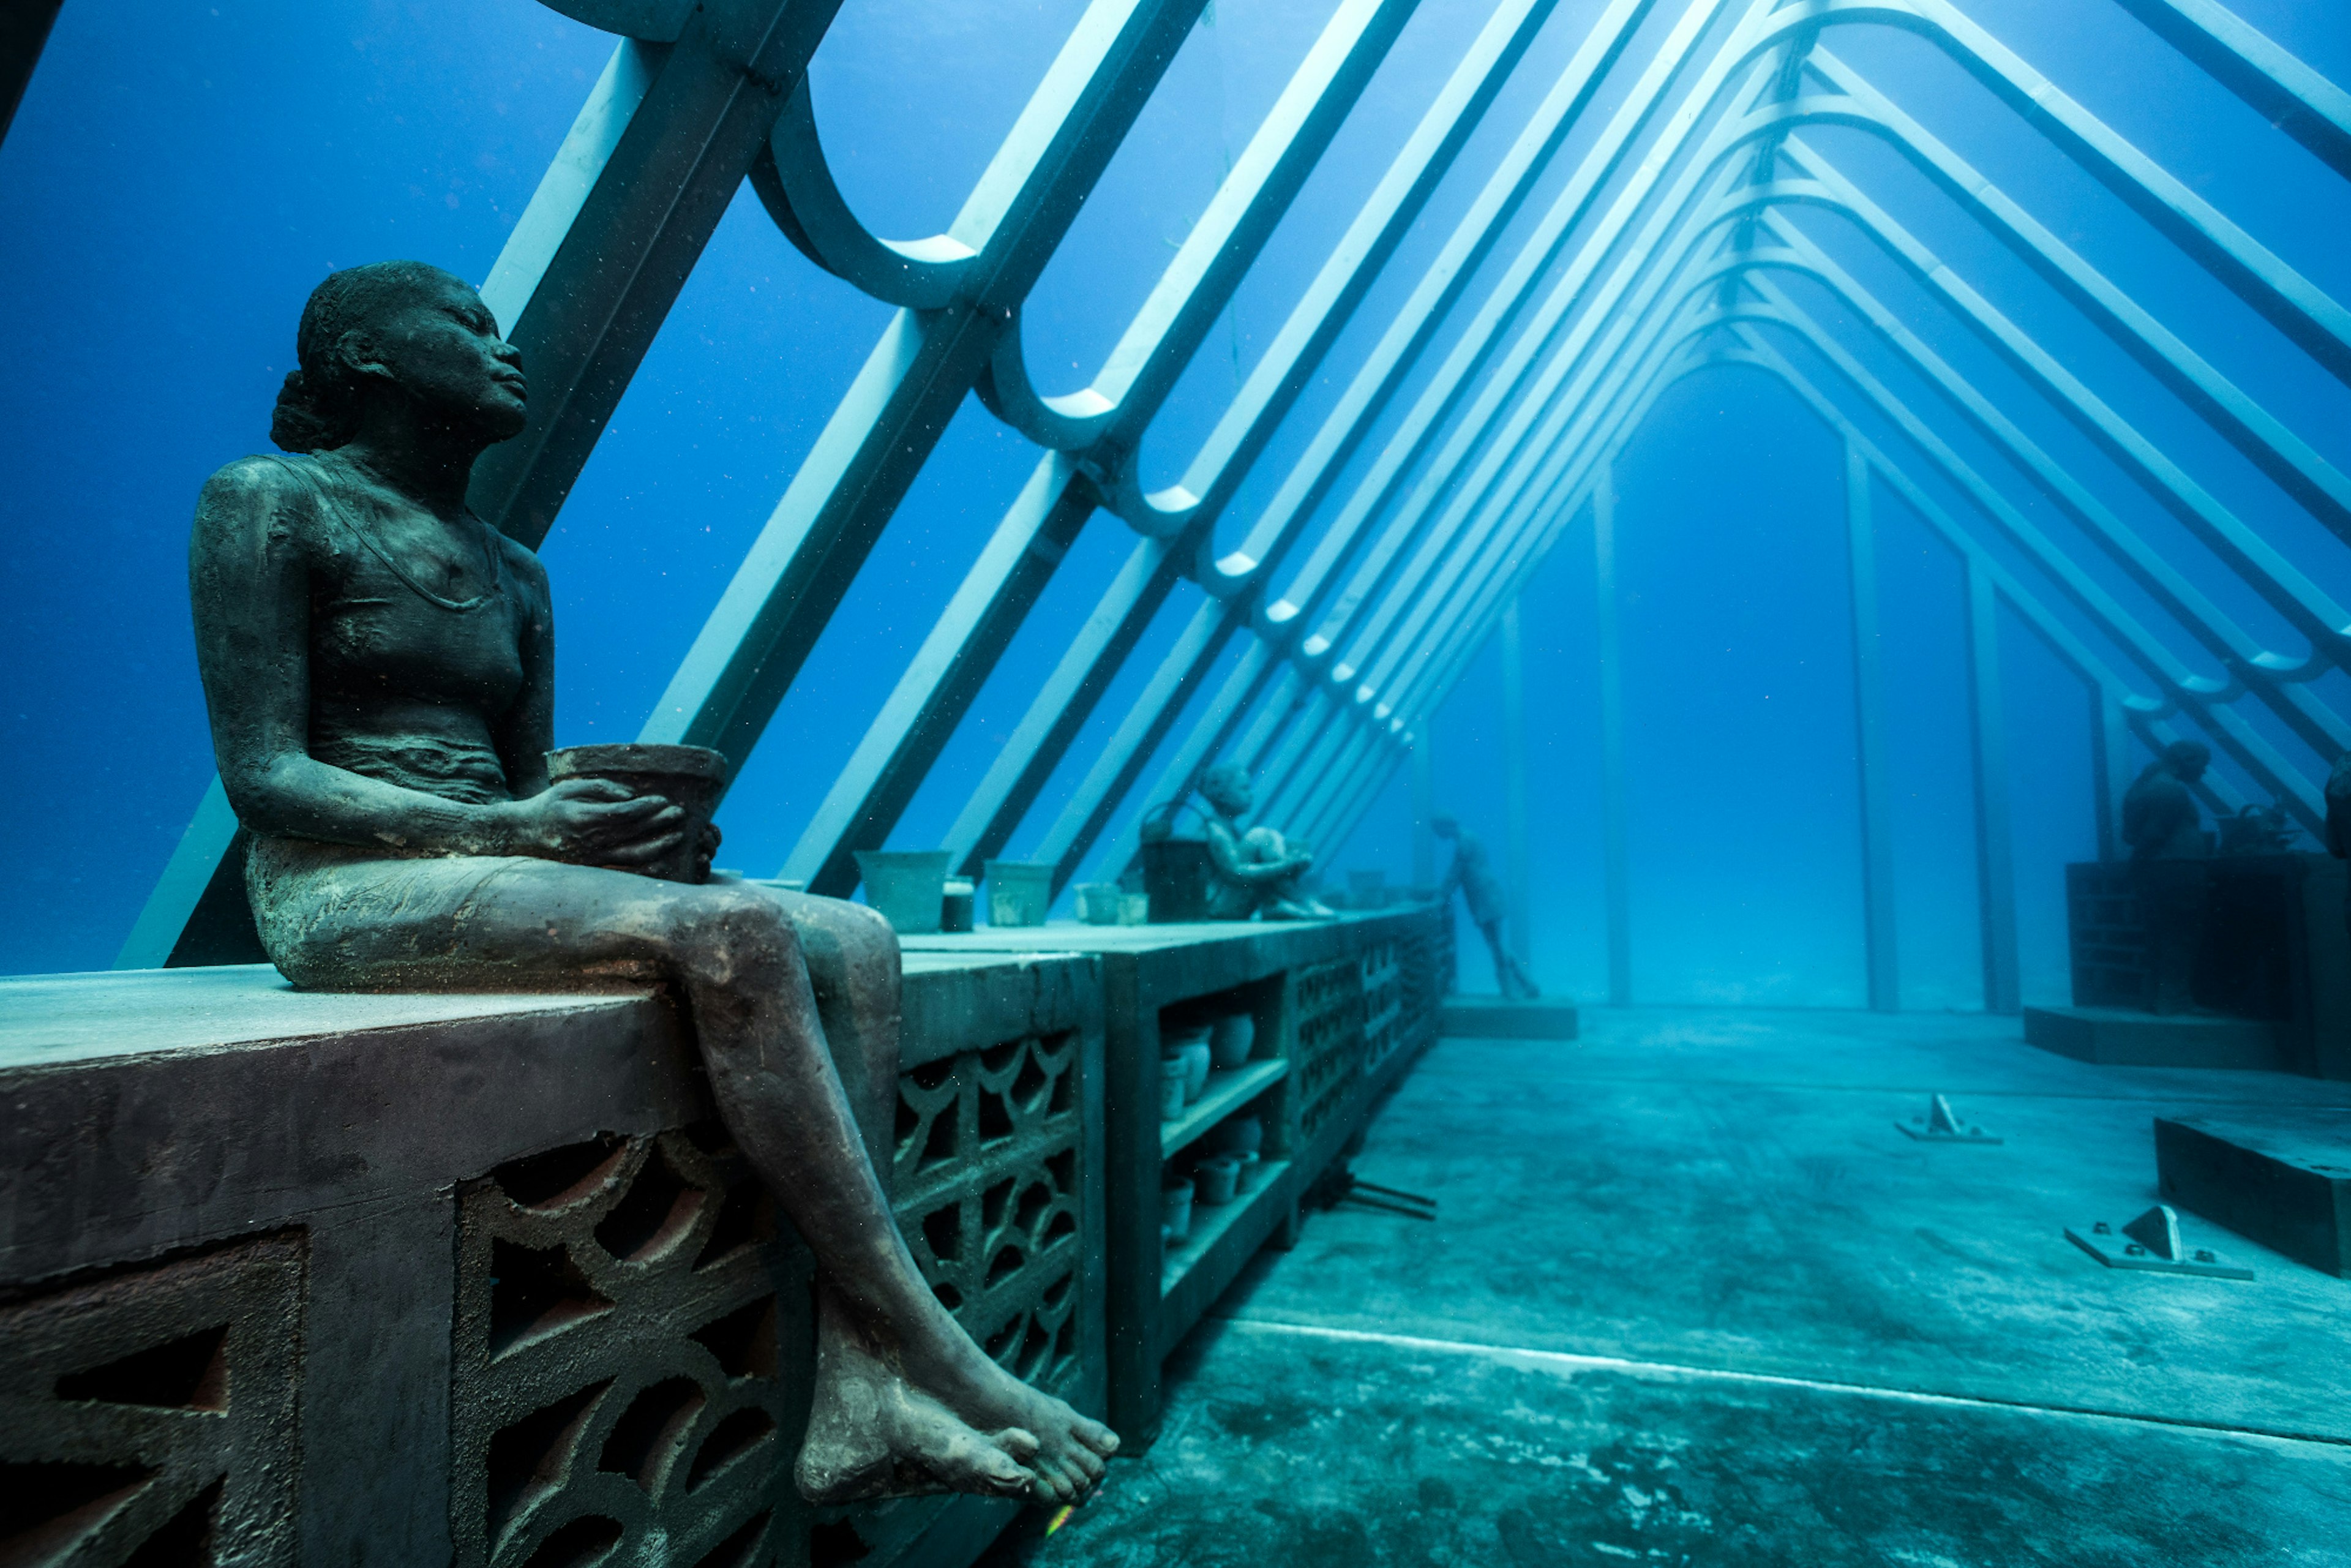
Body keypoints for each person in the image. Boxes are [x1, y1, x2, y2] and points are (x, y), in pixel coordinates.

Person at [189, 261, 1113, 1505]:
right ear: (363, 357)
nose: (500, 342)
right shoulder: (270, 501)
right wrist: (515, 825)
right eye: (465, 323)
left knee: (855, 933)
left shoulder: (514, 568)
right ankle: (938, 1351)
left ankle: (855, 1382)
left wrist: (625, 839)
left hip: (489, 861)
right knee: (730, 934)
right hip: (340, 886)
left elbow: (532, 789)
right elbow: (266, 777)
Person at [2121, 740, 2213, 1015]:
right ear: (2186, 758)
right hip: (2178, 870)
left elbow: (2131, 835)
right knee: (2181, 936)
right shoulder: (2170, 789)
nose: (2205, 771)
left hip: (2157, 871)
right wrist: (2137, 864)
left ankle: (2154, 997)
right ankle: (2175, 1000)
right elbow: (2155, 834)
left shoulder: (2143, 787)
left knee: (2158, 936)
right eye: (2202, 764)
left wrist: (2138, 867)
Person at [1196, 763, 1331, 920]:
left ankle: (1278, 903)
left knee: (1270, 836)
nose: (1251, 794)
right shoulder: (1216, 831)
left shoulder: (1227, 829)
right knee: (1260, 835)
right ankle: (1299, 899)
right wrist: (1288, 865)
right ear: (1221, 795)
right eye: (1244, 788)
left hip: (1230, 903)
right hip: (1222, 907)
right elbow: (1236, 873)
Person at [1431, 815, 1539, 999]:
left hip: (1486, 900)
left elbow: (1455, 873)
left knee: (1496, 946)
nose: (1436, 834)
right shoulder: (1468, 837)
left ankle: (1510, 992)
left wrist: (1440, 895)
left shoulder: (1463, 842)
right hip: (1489, 897)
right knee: (1497, 944)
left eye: (1437, 829)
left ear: (1445, 826)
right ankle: (1527, 986)